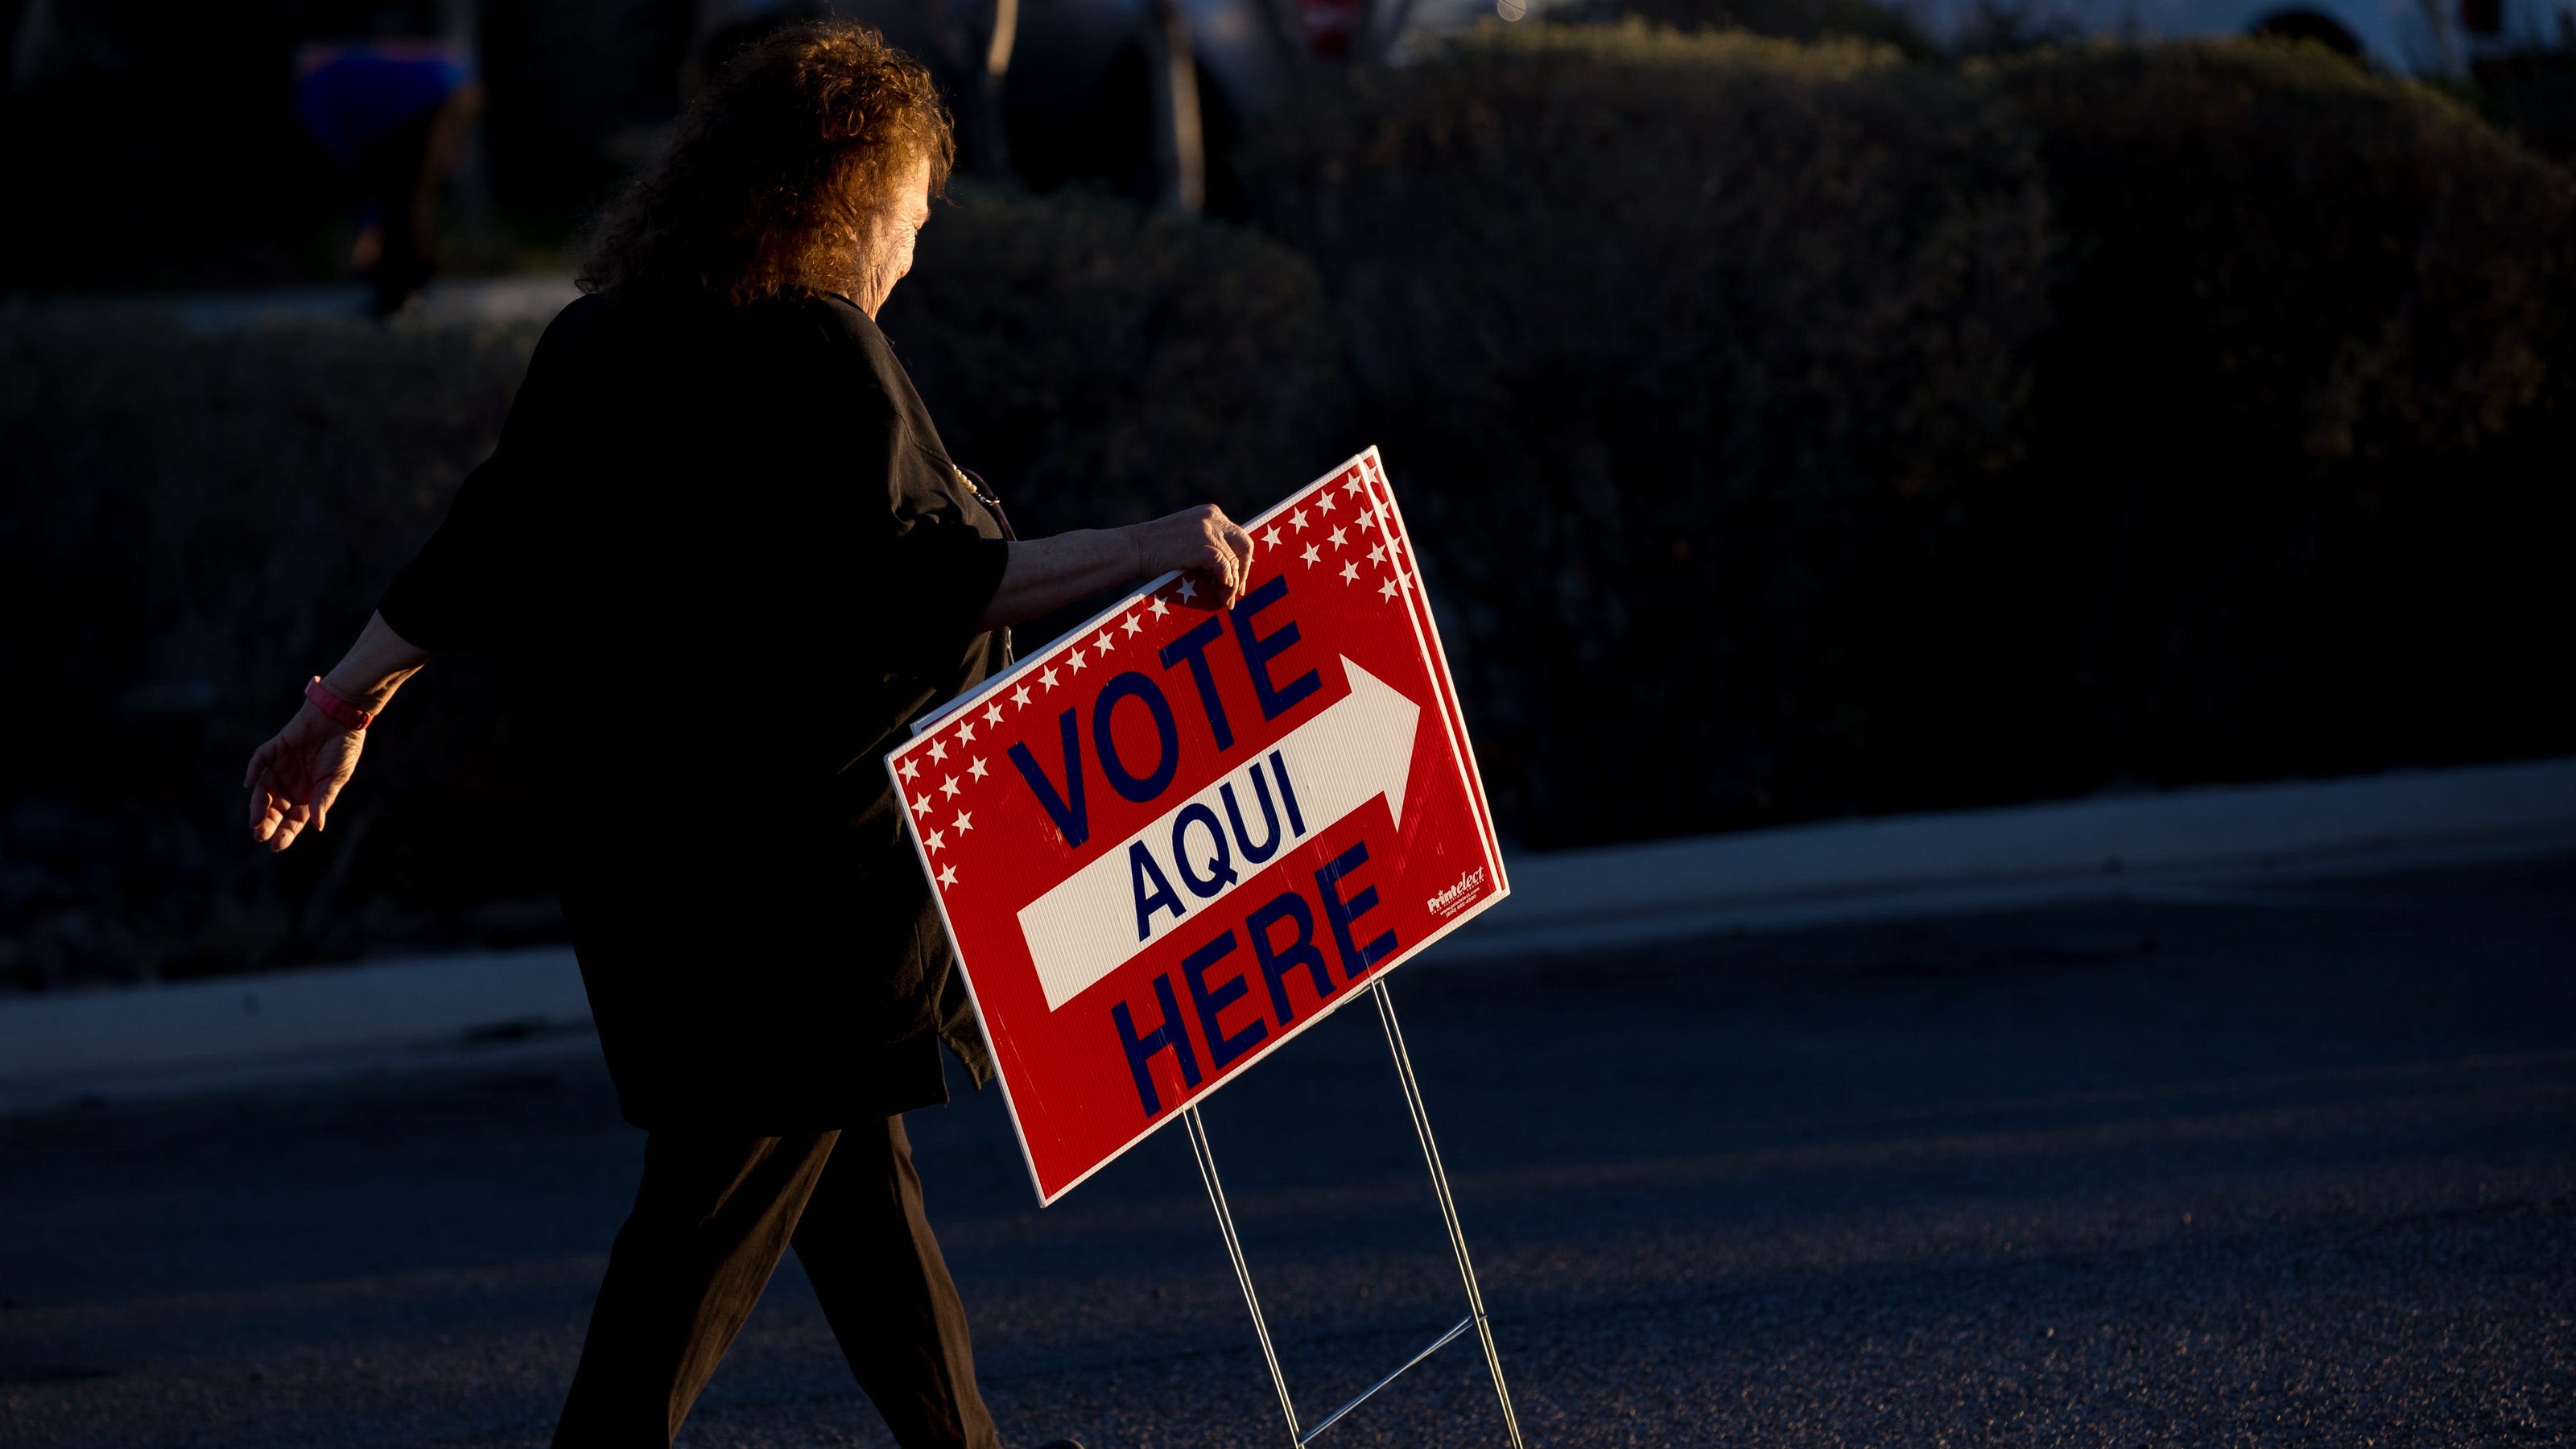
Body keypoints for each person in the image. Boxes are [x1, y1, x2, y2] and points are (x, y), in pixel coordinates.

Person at [242, 21, 1255, 1448]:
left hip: (650, 876)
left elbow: (481, 551)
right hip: (807, 892)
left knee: (857, 1199)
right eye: (907, 216)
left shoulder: (600, 336)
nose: (910, 252)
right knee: (696, 1248)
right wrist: (1148, 546)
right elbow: (924, 577)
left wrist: (331, 709)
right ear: (841, 196)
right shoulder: (814, 348)